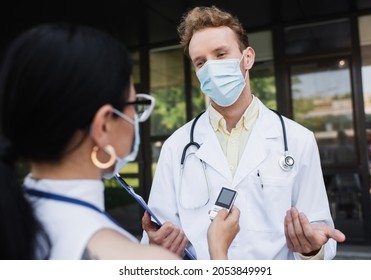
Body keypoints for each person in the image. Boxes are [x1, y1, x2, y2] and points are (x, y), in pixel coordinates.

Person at [0, 23, 240, 260]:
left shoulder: (14, 222)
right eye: (135, 105)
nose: (136, 118)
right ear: (103, 126)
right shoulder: (132, 260)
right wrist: (218, 250)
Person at [141, 5, 346, 260]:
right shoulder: (177, 146)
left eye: (221, 54)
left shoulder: (297, 139)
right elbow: (159, 237)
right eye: (201, 62)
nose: (211, 68)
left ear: (247, 58)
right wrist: (156, 246)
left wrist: (312, 249)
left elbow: (318, 232)